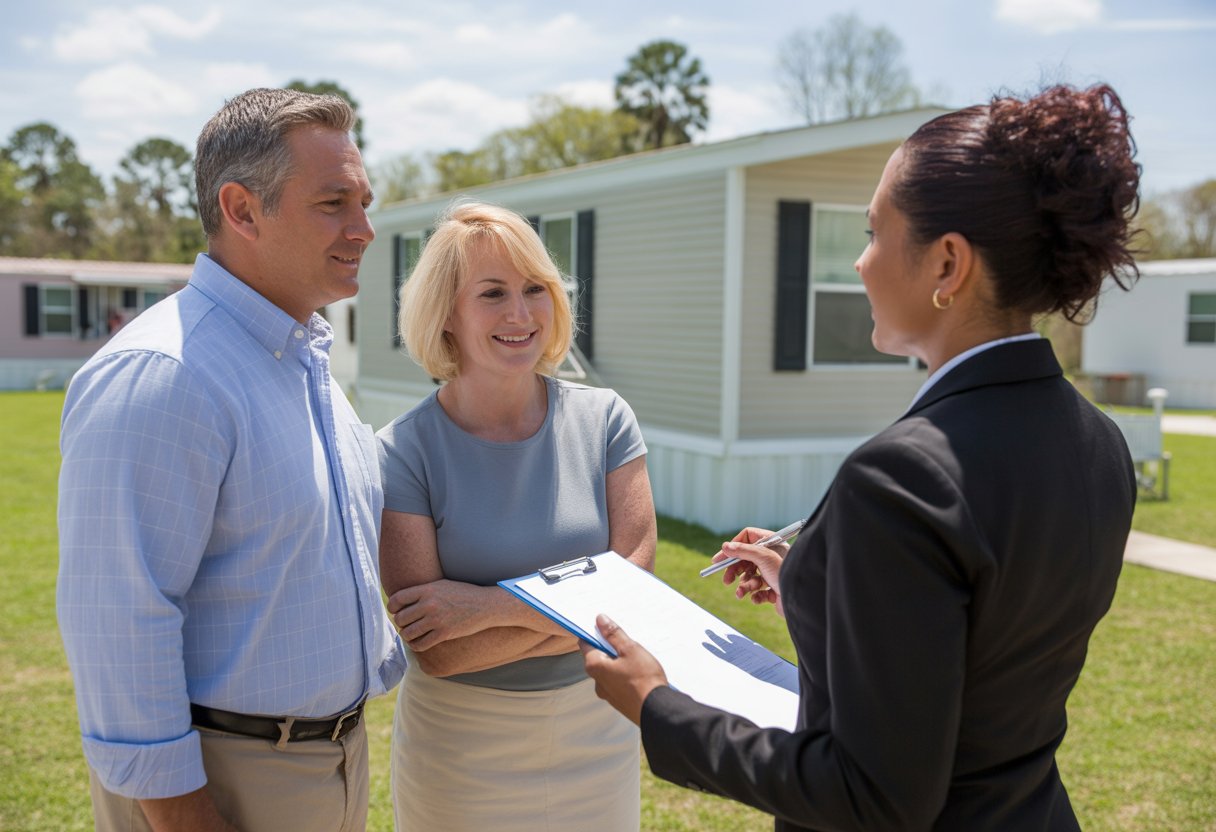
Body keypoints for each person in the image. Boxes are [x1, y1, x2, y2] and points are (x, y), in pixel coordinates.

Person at [581, 83, 1141, 831]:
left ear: (947, 265)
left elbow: (871, 793)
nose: (859, 263)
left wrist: (659, 709)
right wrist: (820, 591)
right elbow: (980, 644)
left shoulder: (903, 475)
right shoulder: (1098, 441)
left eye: (875, 234)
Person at [57, 87, 406, 832]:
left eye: (365, 201)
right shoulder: (167, 371)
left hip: (328, 762)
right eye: (334, 203)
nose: (366, 229)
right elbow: (119, 619)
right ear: (242, 210)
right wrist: (185, 816)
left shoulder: (300, 360)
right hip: (222, 781)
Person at [377, 200, 657, 831]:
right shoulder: (402, 451)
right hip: (460, 749)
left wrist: (485, 608)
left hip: (597, 725)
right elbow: (440, 655)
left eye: (535, 289)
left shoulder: (606, 419)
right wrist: (585, 607)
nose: (520, 314)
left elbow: (635, 589)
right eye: (493, 293)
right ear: (446, 312)